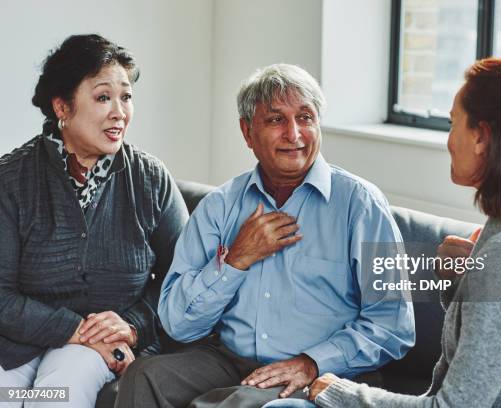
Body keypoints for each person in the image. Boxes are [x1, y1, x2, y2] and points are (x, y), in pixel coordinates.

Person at [114, 63, 415, 408]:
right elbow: (178, 324)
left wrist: (312, 362)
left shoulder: (362, 204)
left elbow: (393, 325)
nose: (294, 133)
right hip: (228, 359)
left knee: (236, 405)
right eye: (276, 120)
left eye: (305, 117)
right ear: (247, 132)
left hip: (321, 372)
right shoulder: (220, 206)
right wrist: (235, 261)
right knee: (144, 376)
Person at [305, 57, 501, 407]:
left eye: (454, 122)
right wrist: (462, 283)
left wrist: (339, 393)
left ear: (482, 137)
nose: (449, 140)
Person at [0, 34, 189, 407]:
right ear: (62, 107)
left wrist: (133, 326)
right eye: (104, 97)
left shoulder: (150, 179)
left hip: (99, 349)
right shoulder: (11, 180)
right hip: (18, 342)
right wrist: (76, 329)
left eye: (127, 96)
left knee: (58, 395)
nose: (120, 111)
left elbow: (183, 278)